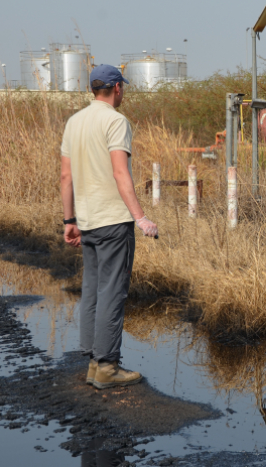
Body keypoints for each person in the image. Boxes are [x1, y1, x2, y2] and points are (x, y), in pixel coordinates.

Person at [60, 64, 158, 390]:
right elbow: (120, 172)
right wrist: (140, 216)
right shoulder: (116, 121)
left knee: (92, 290)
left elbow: (65, 177)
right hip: (113, 220)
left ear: (93, 89)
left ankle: (92, 361)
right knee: (112, 292)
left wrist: (69, 220)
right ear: (117, 88)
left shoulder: (74, 122)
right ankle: (106, 367)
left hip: (86, 221)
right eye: (123, 88)